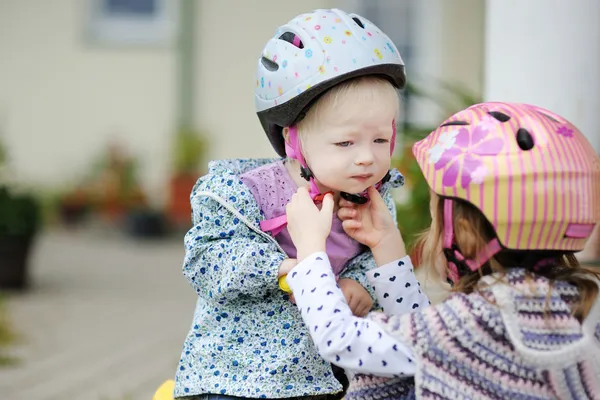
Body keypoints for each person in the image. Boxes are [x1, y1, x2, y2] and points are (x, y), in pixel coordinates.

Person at [172, 8, 428, 400]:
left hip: (327, 375)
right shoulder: (242, 193)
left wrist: (358, 281)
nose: (366, 157)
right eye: (346, 142)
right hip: (238, 377)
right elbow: (207, 261)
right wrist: (286, 269)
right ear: (293, 140)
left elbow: (372, 261)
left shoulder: (371, 199)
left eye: (380, 140)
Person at [284, 102, 600, 399]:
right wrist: (386, 244)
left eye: (435, 216)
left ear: (463, 232)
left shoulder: (477, 320)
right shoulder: (575, 308)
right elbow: (422, 337)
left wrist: (311, 250)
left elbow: (341, 339)